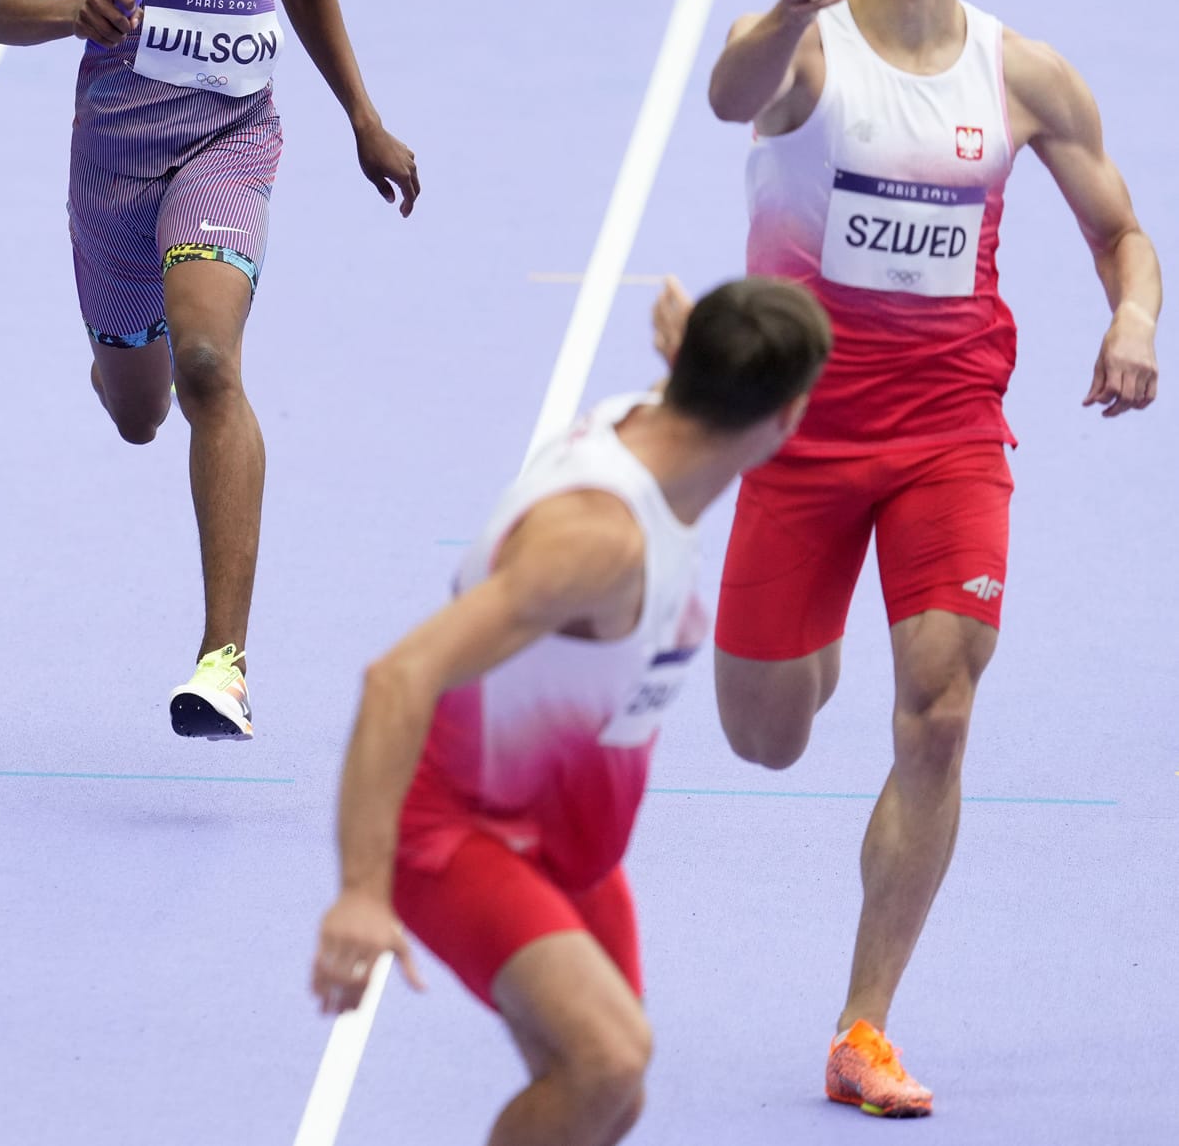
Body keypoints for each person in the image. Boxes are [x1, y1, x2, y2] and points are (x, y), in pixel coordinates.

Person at [706, 0, 1160, 1115]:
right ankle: (818, 629)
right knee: (768, 734)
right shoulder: (803, 53)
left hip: (949, 437)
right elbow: (733, 87)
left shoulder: (1023, 76)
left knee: (942, 713)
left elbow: (1121, 230)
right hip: (798, 440)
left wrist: (1133, 313)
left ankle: (864, 1026)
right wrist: (790, 5)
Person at [0, 0, 421, 739]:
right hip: (116, 164)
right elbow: (1, 6)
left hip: (231, 143)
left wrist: (363, 114)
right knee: (140, 409)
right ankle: (115, 349)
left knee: (212, 363)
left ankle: (222, 661)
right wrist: (72, 13)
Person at [312, 277, 832, 1146]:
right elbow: (397, 678)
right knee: (608, 1061)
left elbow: (695, 372)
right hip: (460, 829)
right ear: (782, 423)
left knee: (608, 1098)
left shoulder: (662, 415)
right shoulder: (596, 543)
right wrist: (361, 895)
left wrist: (688, 337)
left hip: (569, 839)